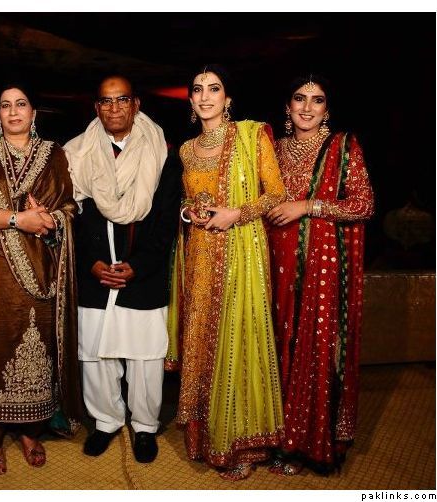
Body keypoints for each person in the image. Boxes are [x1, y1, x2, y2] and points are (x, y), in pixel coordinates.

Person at [0, 81, 83, 475]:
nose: (13, 112)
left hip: (41, 267)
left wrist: (50, 219)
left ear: (33, 113)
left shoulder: (54, 154)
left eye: (21, 104)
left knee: (38, 349)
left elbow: (69, 207)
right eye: (5, 105)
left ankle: (32, 430)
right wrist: (18, 219)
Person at [174, 65, 286, 480]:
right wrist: (188, 212)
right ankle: (205, 438)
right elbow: (187, 199)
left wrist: (236, 213)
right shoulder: (186, 149)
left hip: (242, 250)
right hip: (201, 253)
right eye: (198, 89)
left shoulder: (251, 137)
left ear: (228, 98)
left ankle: (241, 442)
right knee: (203, 338)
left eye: (214, 89)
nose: (205, 96)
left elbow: (276, 194)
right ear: (191, 100)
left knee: (238, 337)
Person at [64, 75, 180, 464]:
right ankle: (106, 421)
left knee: (146, 358)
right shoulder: (76, 154)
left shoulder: (162, 153)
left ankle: (145, 427)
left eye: (122, 100)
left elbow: (166, 222)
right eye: (106, 101)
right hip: (95, 274)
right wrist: (91, 264)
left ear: (136, 104)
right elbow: (71, 219)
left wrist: (138, 266)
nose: (114, 108)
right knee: (96, 357)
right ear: (96, 108)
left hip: (142, 275)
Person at [265, 74, 374, 474]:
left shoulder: (343, 147)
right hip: (273, 263)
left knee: (313, 344)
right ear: (288, 106)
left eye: (318, 100)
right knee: (276, 342)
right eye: (299, 98)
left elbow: (363, 204)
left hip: (320, 269)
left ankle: (308, 443)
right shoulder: (272, 149)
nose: (307, 107)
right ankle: (274, 437)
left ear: (327, 109)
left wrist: (308, 206)